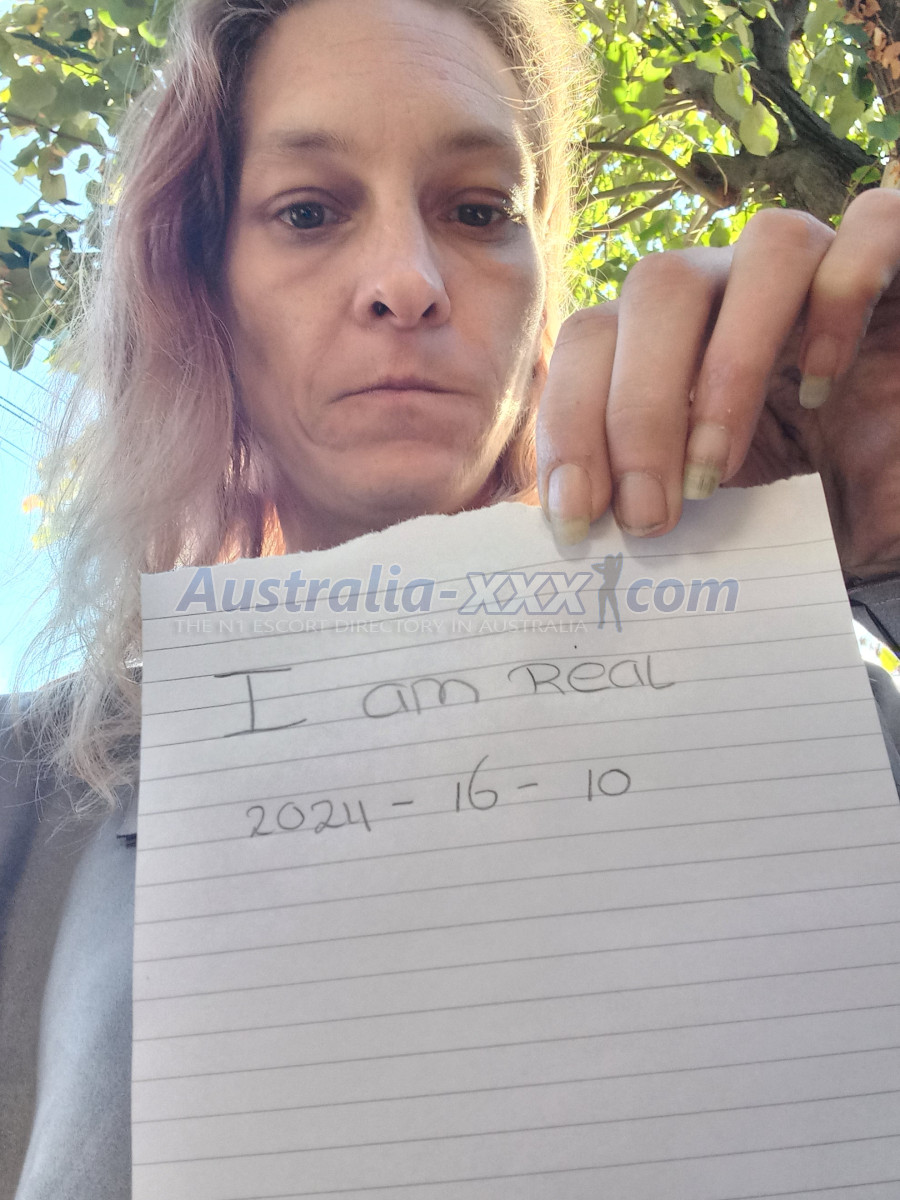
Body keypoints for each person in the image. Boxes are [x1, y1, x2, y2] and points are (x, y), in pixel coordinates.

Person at [1, 0, 900, 1193]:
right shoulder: (28, 795)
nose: (407, 282)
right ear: (202, 284)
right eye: (308, 211)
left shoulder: (839, 719)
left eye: (478, 211)